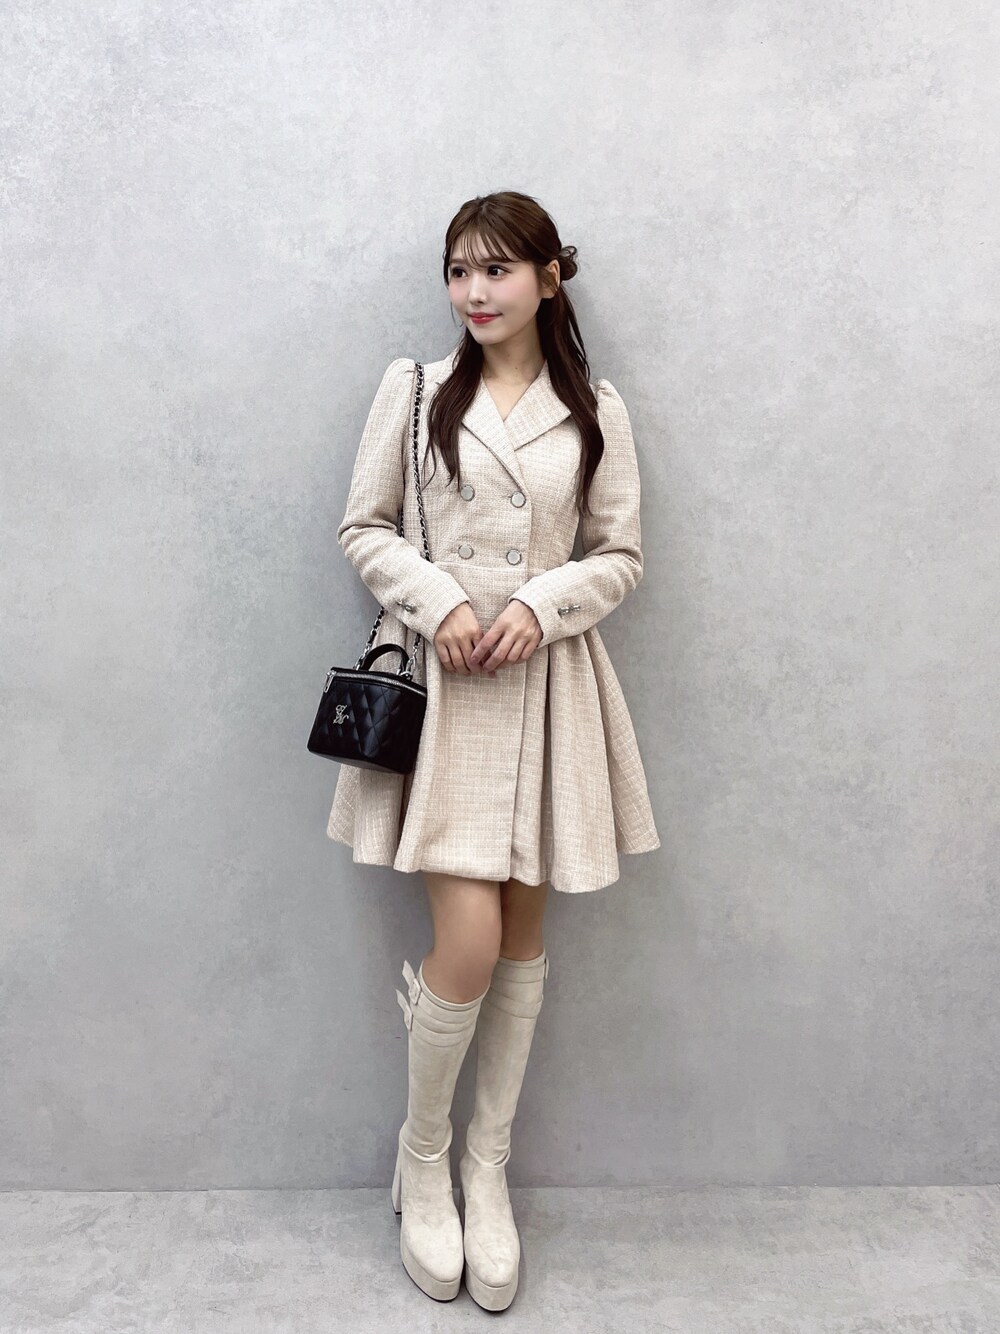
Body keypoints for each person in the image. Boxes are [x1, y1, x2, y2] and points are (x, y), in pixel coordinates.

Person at [328, 190, 660, 1309]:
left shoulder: (596, 409)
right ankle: (423, 1159)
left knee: (521, 942)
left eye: (496, 270)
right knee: (467, 937)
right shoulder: (416, 389)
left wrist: (539, 603)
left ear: (548, 277)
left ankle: (487, 1167)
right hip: (444, 688)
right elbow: (364, 525)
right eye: (458, 270)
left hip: (547, 684)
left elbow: (620, 553)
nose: (473, 291)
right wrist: (440, 603)